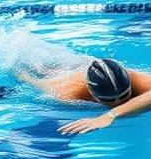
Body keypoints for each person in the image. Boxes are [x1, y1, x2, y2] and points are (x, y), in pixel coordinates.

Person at [19, 58, 151, 135]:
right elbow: (29, 79)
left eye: (124, 96)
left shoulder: (137, 80)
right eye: (109, 101)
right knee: (42, 70)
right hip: (64, 73)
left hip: (83, 65)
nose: (119, 103)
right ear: (92, 94)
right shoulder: (66, 94)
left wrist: (110, 114)